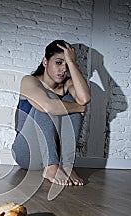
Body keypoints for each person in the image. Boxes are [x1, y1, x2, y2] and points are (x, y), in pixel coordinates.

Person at [12, 40, 91, 186]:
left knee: (71, 101)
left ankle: (67, 166)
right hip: (26, 152)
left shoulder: (66, 84)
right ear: (45, 62)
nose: (63, 69)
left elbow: (84, 99)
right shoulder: (29, 81)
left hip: (56, 153)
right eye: (59, 62)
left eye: (67, 65)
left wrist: (72, 63)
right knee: (51, 100)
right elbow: (47, 106)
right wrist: (79, 108)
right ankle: (51, 167)